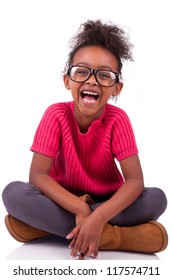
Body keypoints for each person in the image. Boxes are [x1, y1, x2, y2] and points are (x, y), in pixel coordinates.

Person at [2, 19, 168, 260]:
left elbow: (134, 182)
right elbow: (38, 176)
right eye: (82, 71)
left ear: (117, 88)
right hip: (62, 200)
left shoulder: (118, 119)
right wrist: (79, 208)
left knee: (156, 198)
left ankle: (47, 228)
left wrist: (98, 216)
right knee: (13, 193)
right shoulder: (55, 114)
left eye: (104, 75)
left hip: (108, 203)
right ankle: (115, 237)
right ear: (67, 80)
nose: (92, 80)